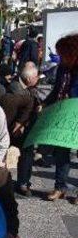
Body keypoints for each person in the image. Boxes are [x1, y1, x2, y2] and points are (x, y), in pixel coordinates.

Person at [42, 34, 78, 203]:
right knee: (61, 152)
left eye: (62, 54)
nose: (60, 57)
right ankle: (60, 187)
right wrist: (45, 103)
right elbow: (57, 89)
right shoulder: (62, 68)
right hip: (63, 114)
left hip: (75, 112)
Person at [0, 65, 40, 197]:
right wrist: (20, 124)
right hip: (9, 128)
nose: (38, 79)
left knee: (27, 152)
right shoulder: (16, 89)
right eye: (36, 77)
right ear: (28, 78)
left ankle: (23, 182)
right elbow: (26, 107)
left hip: (21, 128)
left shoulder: (28, 88)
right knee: (0, 153)